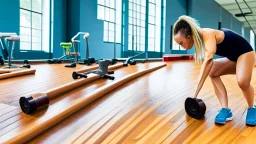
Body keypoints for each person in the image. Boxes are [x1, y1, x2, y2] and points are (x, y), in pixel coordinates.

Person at [173, 15, 256, 126]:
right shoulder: (200, 42)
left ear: (188, 37)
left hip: (246, 53)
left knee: (242, 82)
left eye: (181, 43)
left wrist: (195, 93)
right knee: (212, 71)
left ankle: (252, 108)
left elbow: (208, 60)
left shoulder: (207, 34)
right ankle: (225, 110)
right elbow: (208, 66)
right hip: (233, 58)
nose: (181, 46)